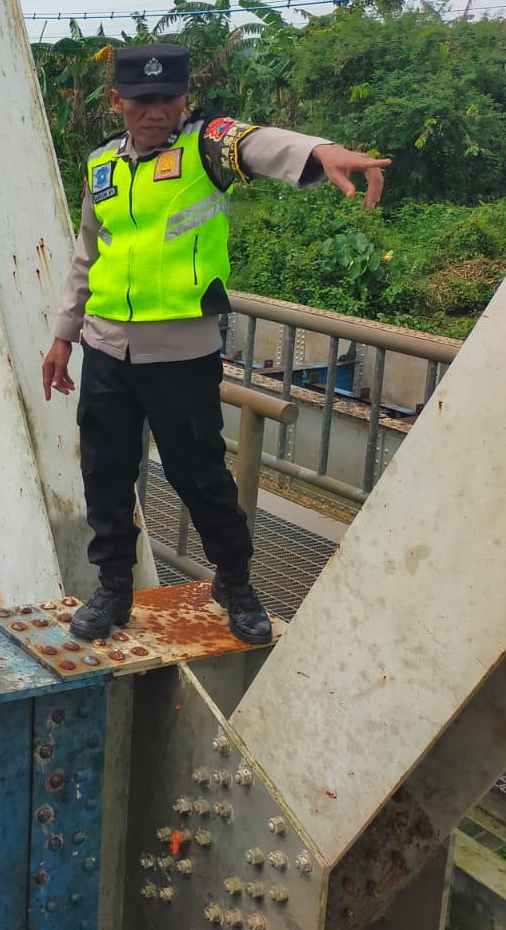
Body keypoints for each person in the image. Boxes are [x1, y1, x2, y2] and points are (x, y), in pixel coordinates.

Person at [42, 43, 390, 645]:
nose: (156, 111)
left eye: (169, 98)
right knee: (105, 471)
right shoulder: (100, 165)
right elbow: (86, 256)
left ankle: (234, 580)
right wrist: (62, 336)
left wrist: (319, 152)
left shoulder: (205, 148)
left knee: (199, 473)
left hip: (180, 354)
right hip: (105, 348)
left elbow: (256, 142)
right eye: (142, 99)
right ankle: (113, 586)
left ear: (184, 99)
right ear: (116, 101)